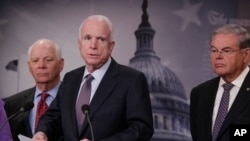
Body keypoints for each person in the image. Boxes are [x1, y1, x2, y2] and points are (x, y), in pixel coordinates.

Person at [32, 15, 154, 141]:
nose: (93, 45)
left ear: (111, 46)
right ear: (79, 44)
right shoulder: (70, 79)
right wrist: (43, 132)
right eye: (87, 38)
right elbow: (53, 116)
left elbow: (142, 129)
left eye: (101, 39)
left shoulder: (132, 80)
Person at [190, 24, 250, 141]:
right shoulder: (200, 93)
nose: (218, 56)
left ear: (246, 55)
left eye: (226, 50)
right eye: (214, 50)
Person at [4, 39, 64, 141]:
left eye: (48, 60)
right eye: (35, 60)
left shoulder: (76, 99)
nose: (41, 65)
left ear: (60, 64)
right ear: (29, 66)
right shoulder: (11, 104)